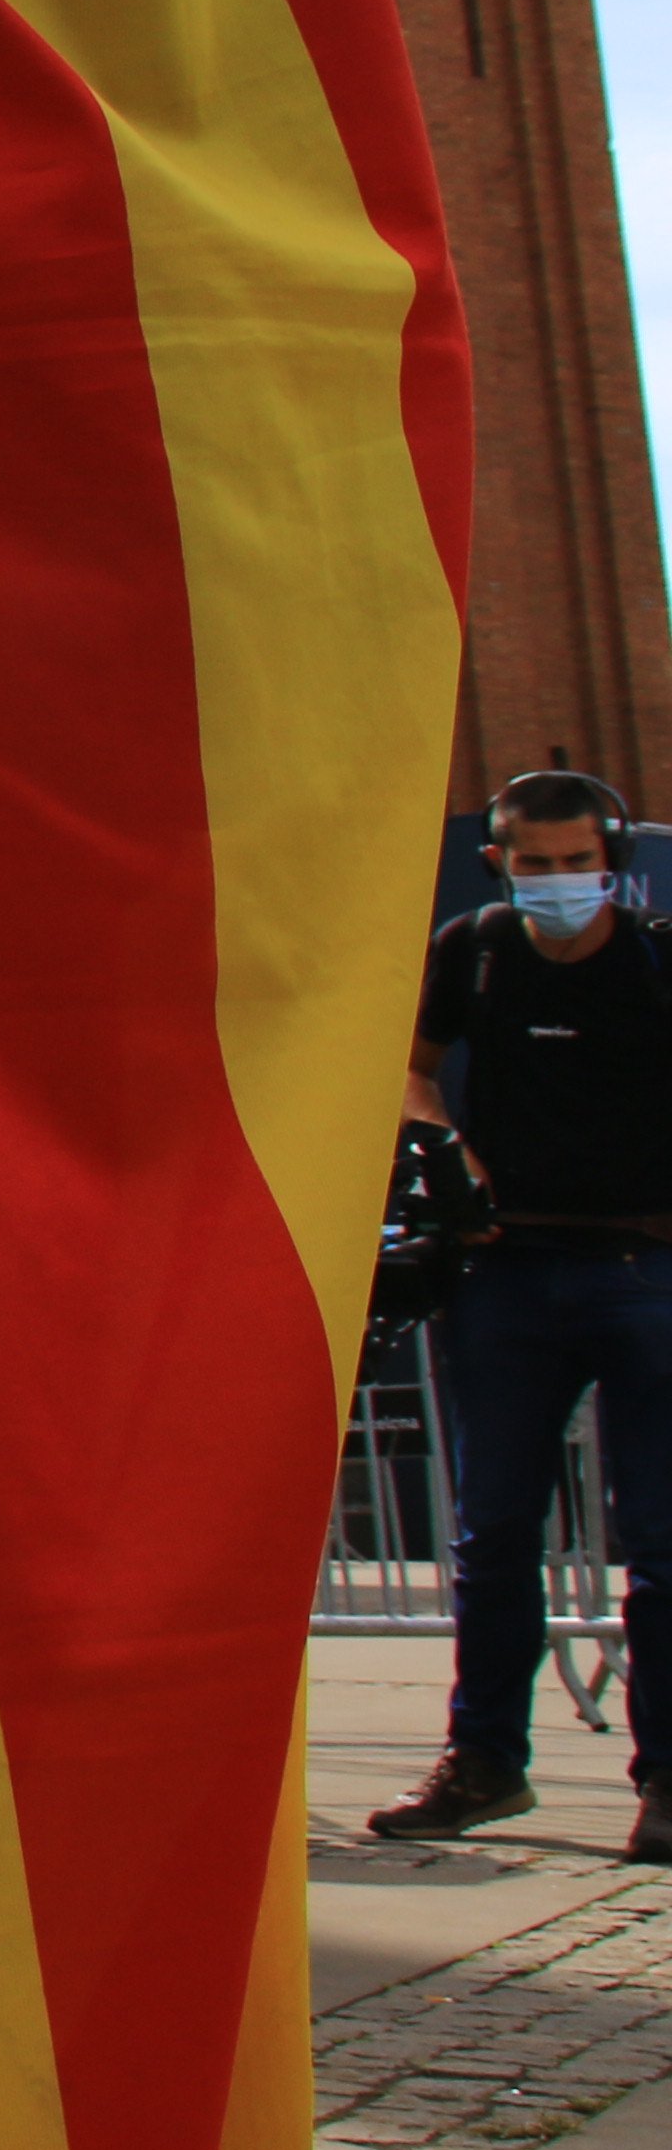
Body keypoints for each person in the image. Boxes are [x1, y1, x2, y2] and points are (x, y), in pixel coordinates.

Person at [373, 770, 672, 1862]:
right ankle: (486, 1760)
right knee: (493, 1538)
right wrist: (451, 1158)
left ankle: (667, 1779)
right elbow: (405, 1071)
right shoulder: (479, 949)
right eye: (535, 864)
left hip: (644, 1264)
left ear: (614, 859)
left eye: (576, 862)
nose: (558, 883)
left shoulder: (654, 956)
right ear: (501, 861)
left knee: (661, 1542)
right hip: (508, 1271)